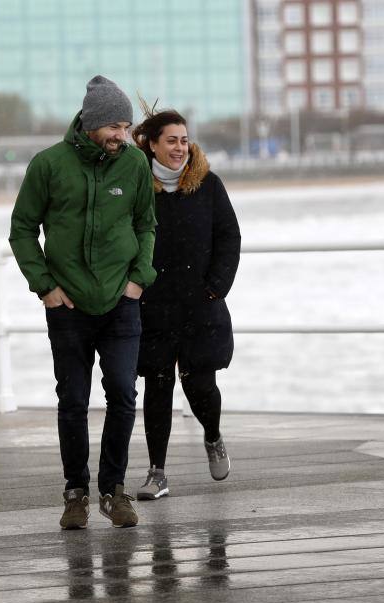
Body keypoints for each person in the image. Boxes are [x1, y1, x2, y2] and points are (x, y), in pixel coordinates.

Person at [9, 76, 157, 529]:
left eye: (126, 126)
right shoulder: (49, 165)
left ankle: (113, 491)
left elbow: (146, 225)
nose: (122, 136)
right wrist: (45, 287)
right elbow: (22, 229)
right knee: (72, 400)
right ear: (91, 123)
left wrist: (139, 279)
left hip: (121, 304)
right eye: (114, 126)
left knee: (123, 394)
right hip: (67, 308)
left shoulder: (133, 166)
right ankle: (75, 492)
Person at [130, 105, 241, 500]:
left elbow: (229, 237)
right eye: (171, 141)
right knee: (157, 386)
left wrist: (216, 286)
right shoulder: (138, 186)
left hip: (201, 304)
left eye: (184, 140)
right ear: (152, 145)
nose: (179, 148)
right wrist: (132, 285)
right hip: (153, 305)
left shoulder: (208, 184)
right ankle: (157, 473)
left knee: (201, 385)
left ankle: (212, 435)